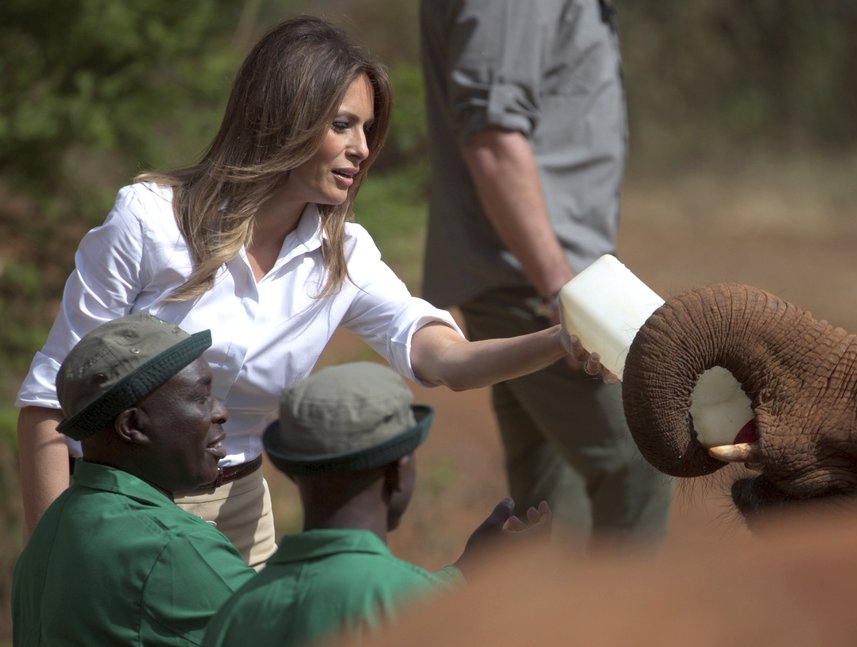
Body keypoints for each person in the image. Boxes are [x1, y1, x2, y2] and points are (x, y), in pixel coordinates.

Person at [15, 16, 589, 568]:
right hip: (123, 511)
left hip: (243, 514)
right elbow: (49, 402)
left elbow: (447, 362)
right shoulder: (149, 222)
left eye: (367, 129)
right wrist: (52, 562)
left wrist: (559, 340)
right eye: (343, 124)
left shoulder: (346, 256)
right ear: (281, 118)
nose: (363, 148)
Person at [419, 0, 675, 542]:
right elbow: (490, 136)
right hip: (535, 280)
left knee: (548, 503)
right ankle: (624, 627)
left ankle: (546, 622)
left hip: (532, 275)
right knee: (641, 456)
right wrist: (561, 286)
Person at [203, 362, 550, 647]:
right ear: (398, 471)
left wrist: (468, 570)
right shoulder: (419, 609)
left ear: (295, 474)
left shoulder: (237, 614)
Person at [12, 314, 255, 646]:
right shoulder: (173, 547)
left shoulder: (55, 525)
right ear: (133, 426)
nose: (220, 412)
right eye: (201, 398)